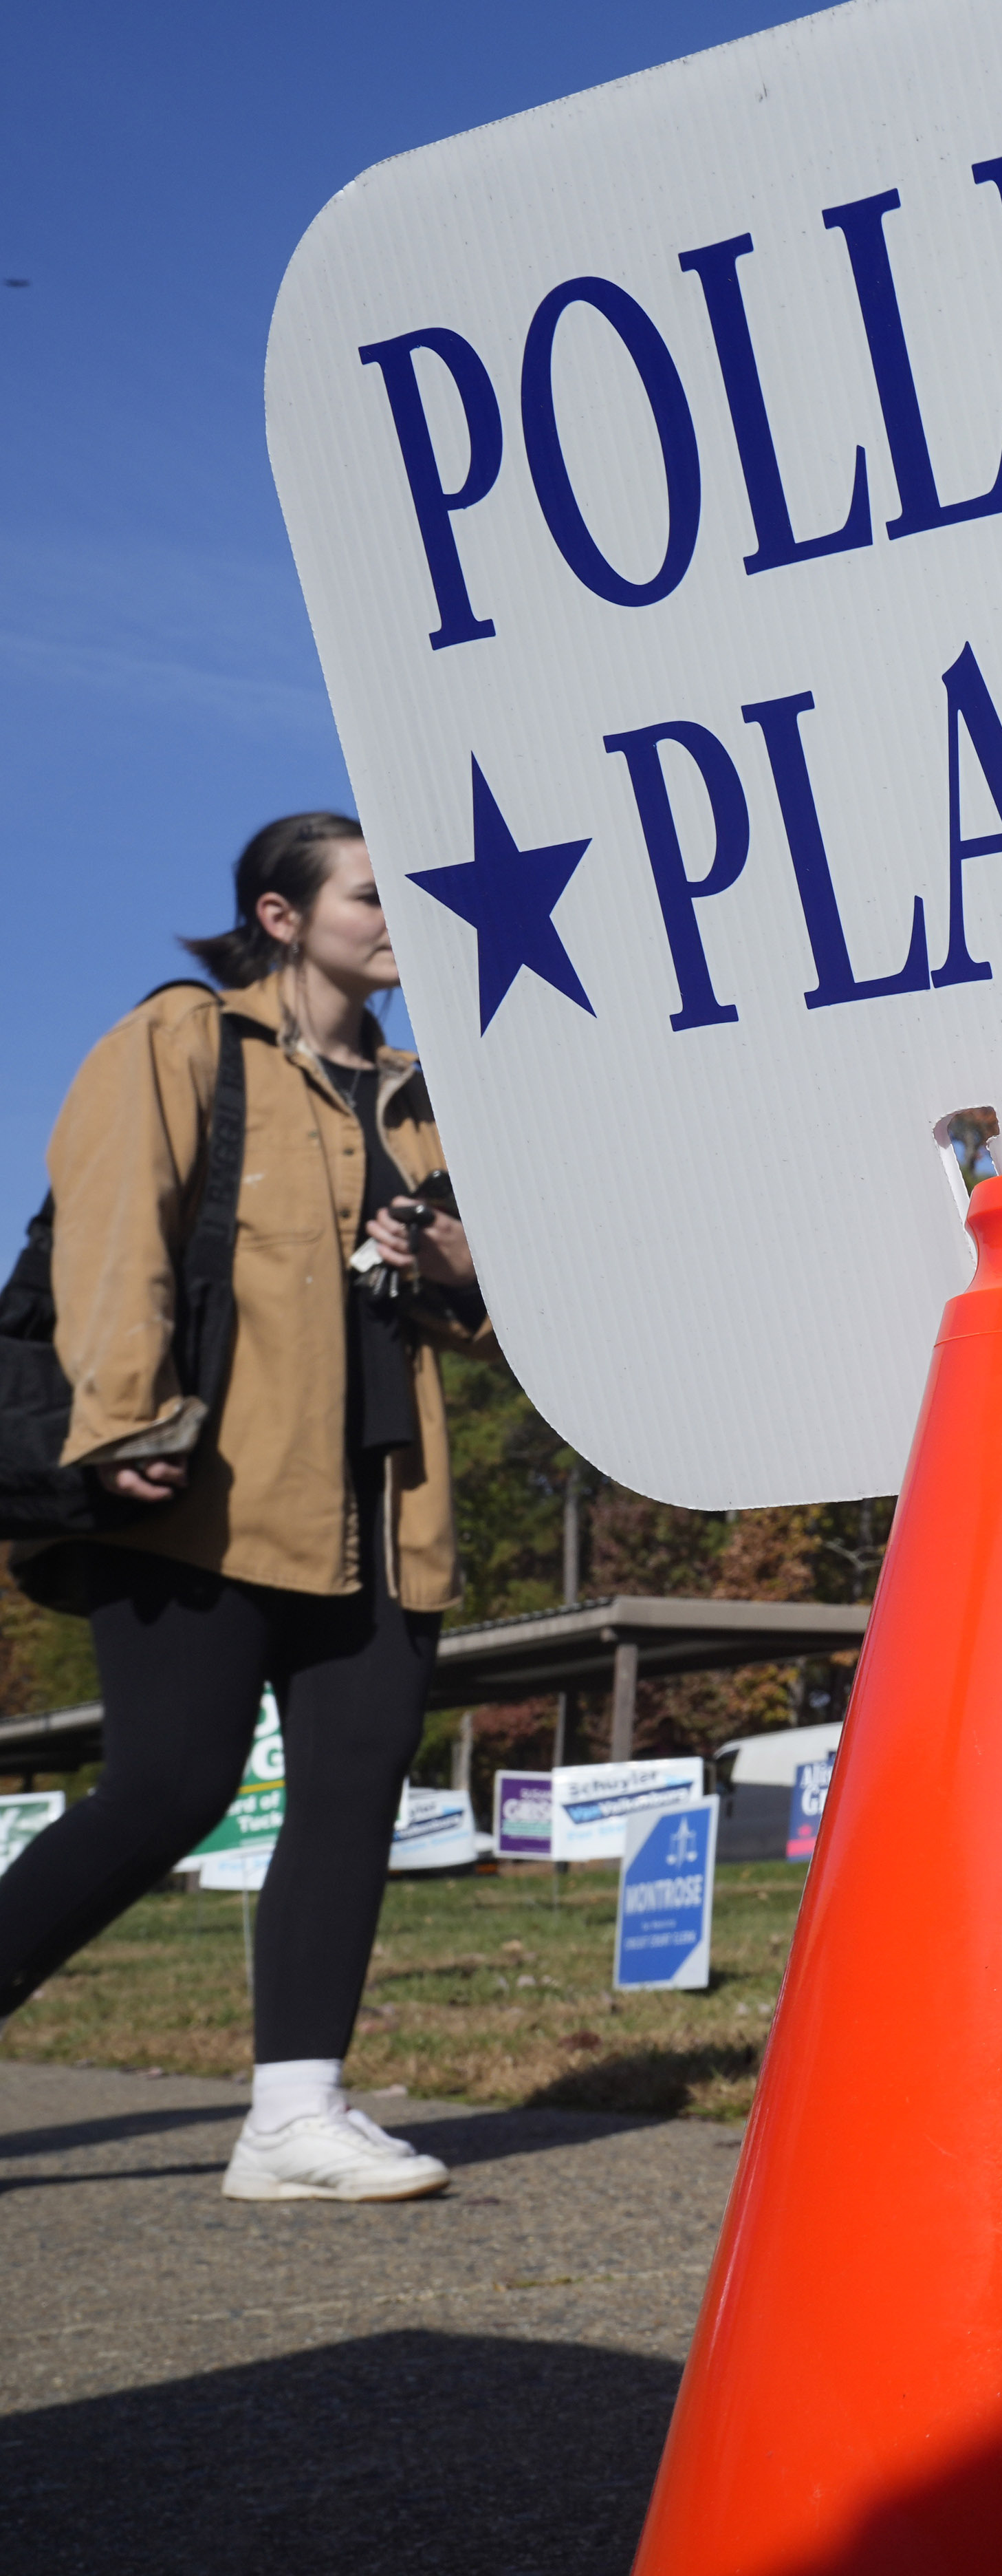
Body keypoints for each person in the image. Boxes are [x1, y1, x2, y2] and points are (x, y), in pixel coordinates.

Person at [0, 813, 490, 2200]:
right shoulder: (181, 1044)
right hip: (206, 1485)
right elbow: (112, 1228)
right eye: (369, 894)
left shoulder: (419, 1096)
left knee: (355, 1780)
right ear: (281, 916)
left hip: (384, 1495)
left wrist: (456, 1263)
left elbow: (477, 1315)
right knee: (168, 1788)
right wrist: (125, 1418)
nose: (398, 914)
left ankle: (293, 2119)